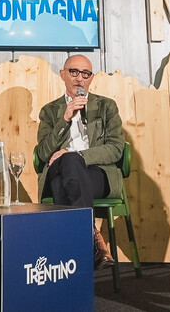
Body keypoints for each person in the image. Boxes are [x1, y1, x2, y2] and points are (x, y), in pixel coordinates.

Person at [36, 54, 124, 269]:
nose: (79, 78)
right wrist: (65, 118)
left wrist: (78, 156)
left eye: (85, 74)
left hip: (97, 175)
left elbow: (116, 149)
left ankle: (67, 260)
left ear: (91, 78)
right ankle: (92, 240)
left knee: (66, 174)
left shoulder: (106, 106)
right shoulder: (50, 111)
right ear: (63, 75)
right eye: (74, 72)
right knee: (65, 171)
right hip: (60, 171)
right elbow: (44, 153)